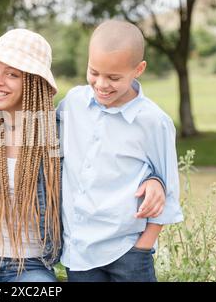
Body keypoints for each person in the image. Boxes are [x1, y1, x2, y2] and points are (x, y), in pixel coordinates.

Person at [0, 28, 168, 282]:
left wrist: (154, 180)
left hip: (31, 263)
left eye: (12, 74)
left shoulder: (61, 131)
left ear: (33, 81)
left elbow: (112, 157)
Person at [57, 20, 184, 282]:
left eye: (114, 77)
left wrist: (143, 248)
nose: (101, 84)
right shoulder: (73, 103)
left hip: (128, 252)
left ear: (138, 69)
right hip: (79, 251)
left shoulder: (153, 122)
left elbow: (168, 193)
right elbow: (38, 136)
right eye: (94, 72)